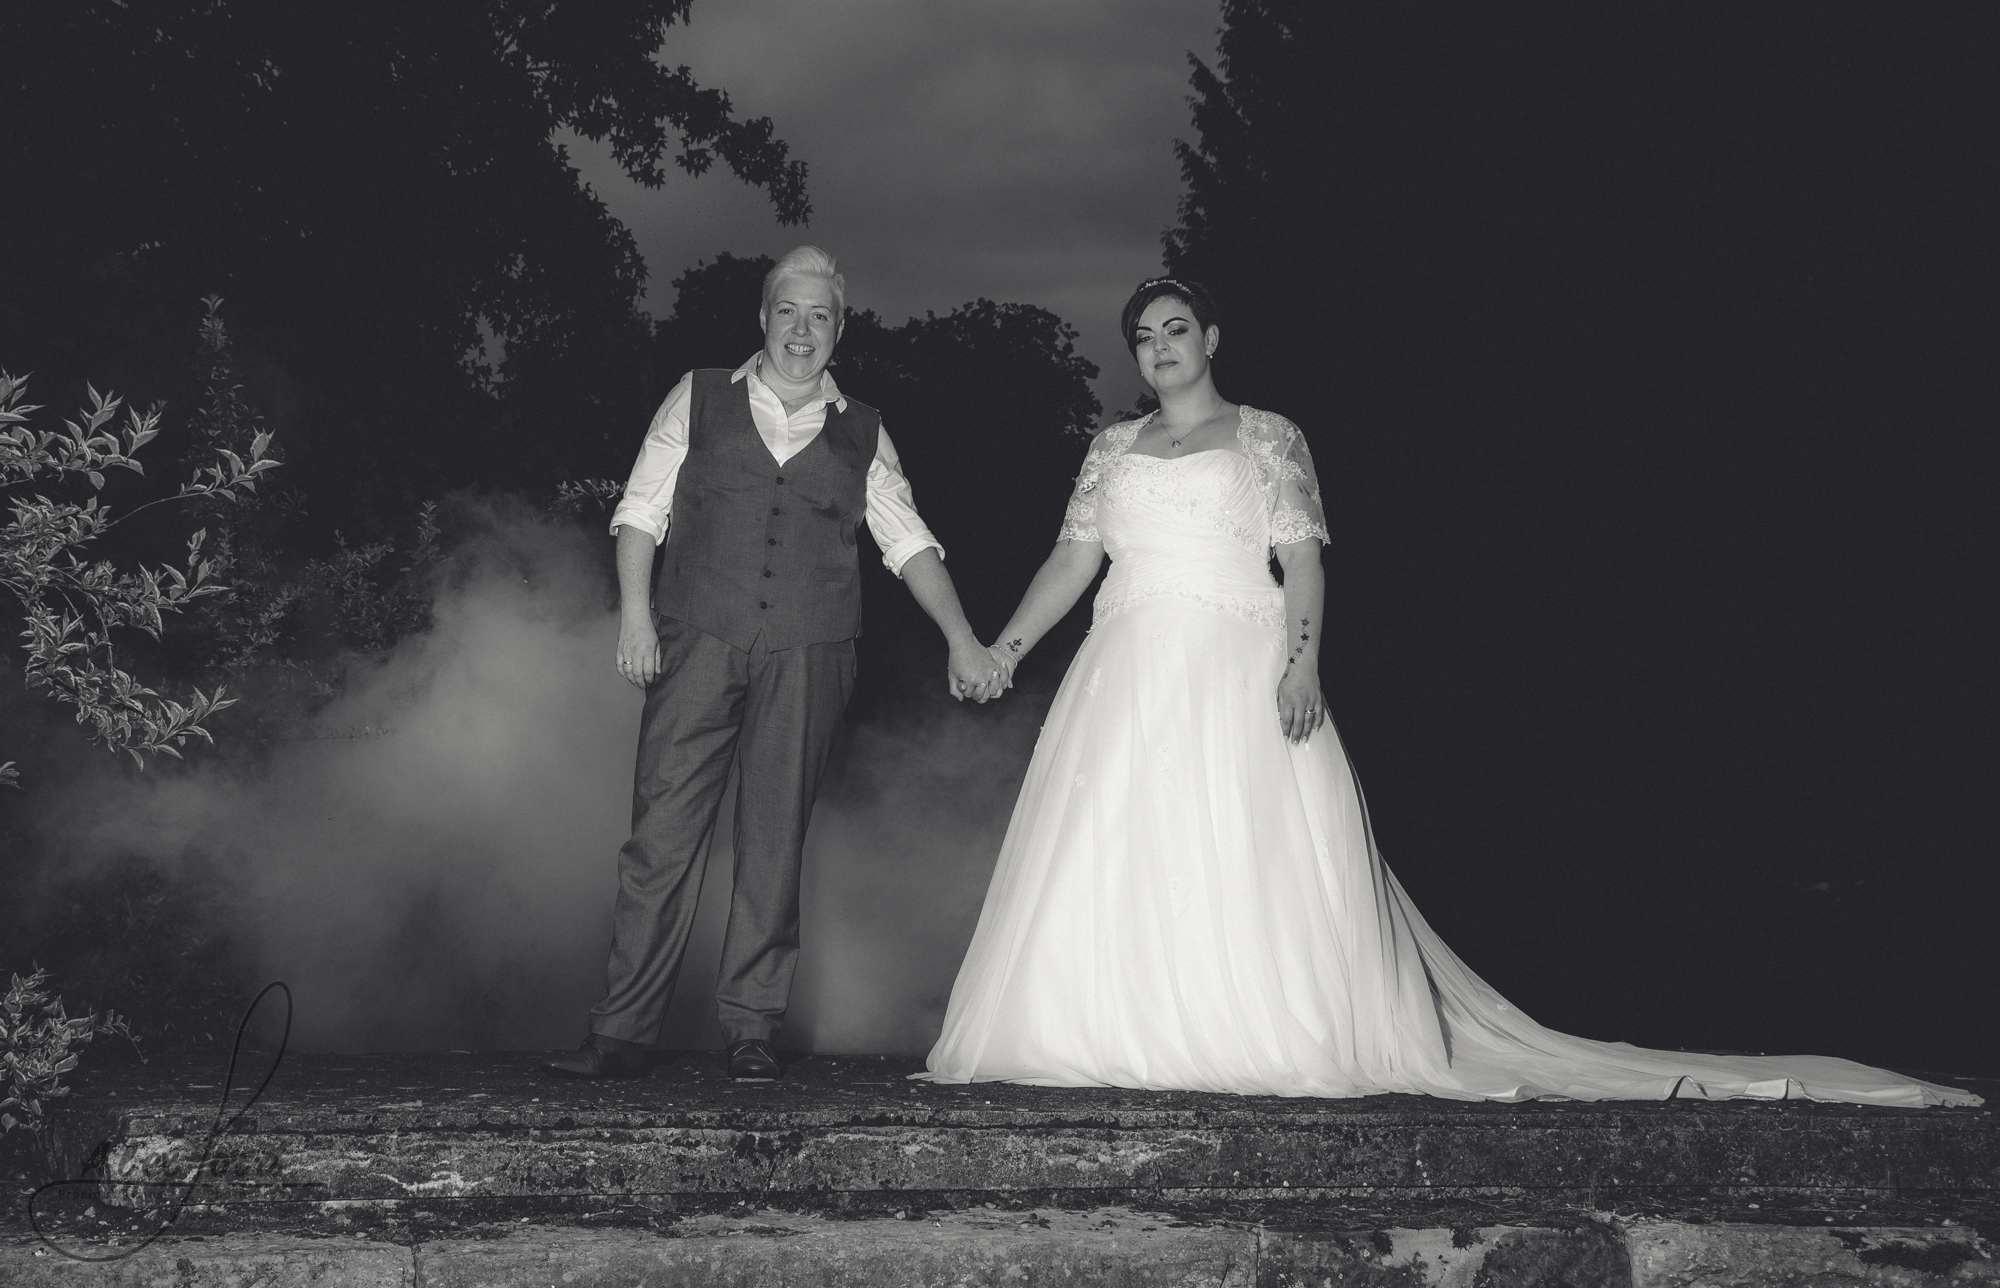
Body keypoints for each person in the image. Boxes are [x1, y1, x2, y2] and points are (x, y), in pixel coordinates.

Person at [919, 276, 1980, 1108]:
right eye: (1143, 337)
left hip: (1237, 657)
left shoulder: (1268, 435)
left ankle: (1255, 1027)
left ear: (1210, 340)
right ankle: (1105, 1026)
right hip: (1125, 666)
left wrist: (1301, 663)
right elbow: (1070, 562)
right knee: (1119, 843)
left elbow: (1306, 565)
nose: (1158, 349)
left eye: (1175, 330)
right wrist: (1005, 647)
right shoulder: (1111, 448)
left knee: (1239, 840)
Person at [545, 246, 1006, 1084]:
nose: (802, 330)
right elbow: (640, 512)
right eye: (788, 312)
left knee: (773, 839)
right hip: (695, 637)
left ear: (840, 329)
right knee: (663, 833)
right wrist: (637, 617)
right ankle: (621, 1028)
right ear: (762, 318)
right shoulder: (697, 396)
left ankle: (752, 1022)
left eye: (819, 315)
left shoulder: (863, 426)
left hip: (812, 648)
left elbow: (907, 541)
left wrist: (963, 637)